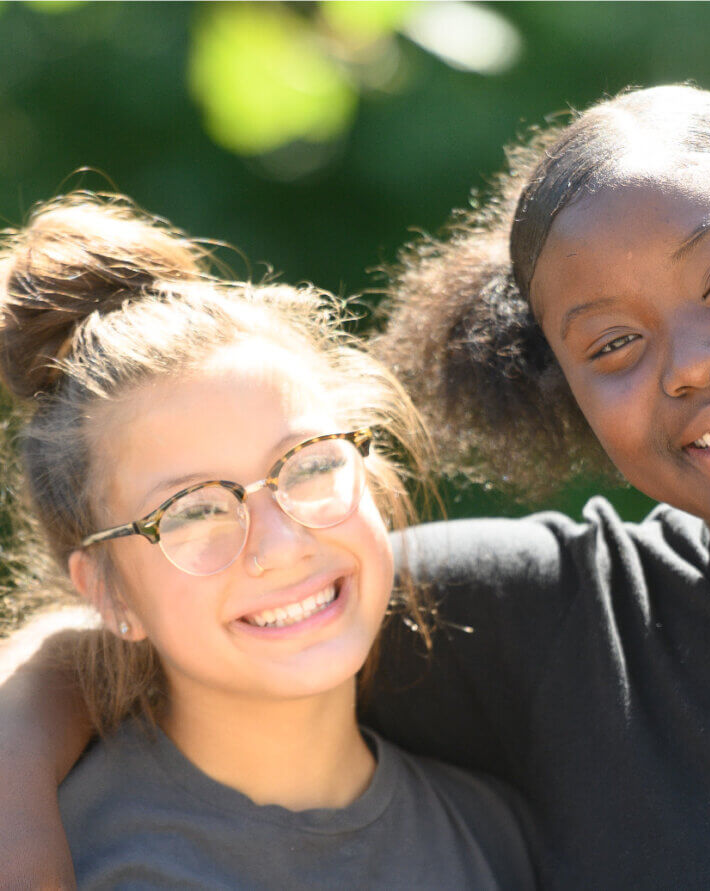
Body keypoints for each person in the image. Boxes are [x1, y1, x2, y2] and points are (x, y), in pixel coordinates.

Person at [1, 19, 710, 889]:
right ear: (570, 395)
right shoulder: (556, 621)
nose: (691, 362)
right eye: (611, 345)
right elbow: (140, 634)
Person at [0, 195, 535, 889]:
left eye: (309, 464)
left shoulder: (497, 838)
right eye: (193, 511)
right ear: (106, 589)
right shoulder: (71, 858)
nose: (280, 543)